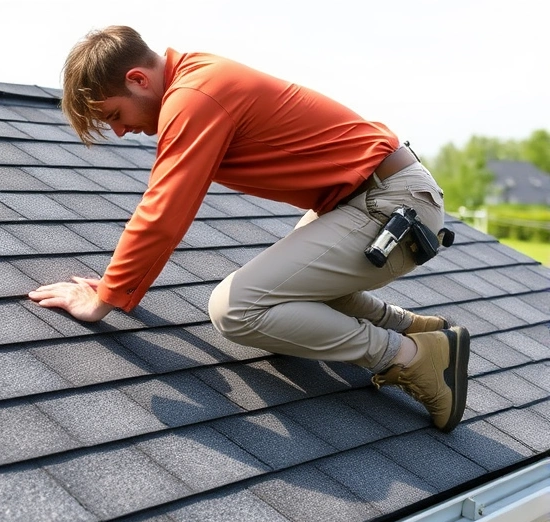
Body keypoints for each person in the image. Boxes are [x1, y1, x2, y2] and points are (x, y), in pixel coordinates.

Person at [27, 25, 469, 432]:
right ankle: (411, 328)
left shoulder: (193, 95)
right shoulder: (198, 76)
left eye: (116, 115)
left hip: (391, 209)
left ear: (138, 79)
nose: (121, 132)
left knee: (236, 309)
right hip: (371, 198)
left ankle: (413, 356)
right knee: (290, 294)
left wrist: (106, 299)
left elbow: (164, 211)